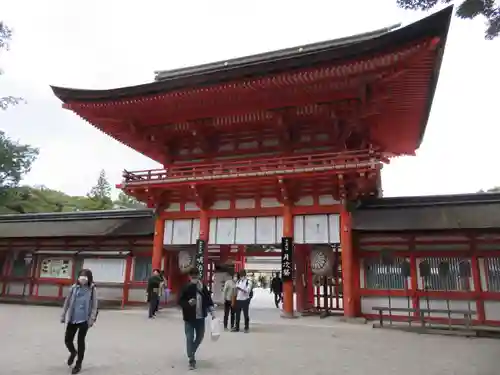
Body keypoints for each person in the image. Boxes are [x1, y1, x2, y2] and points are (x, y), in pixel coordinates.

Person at [60, 269, 98, 374]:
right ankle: (73, 352)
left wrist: (91, 320)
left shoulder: (92, 289)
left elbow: (95, 306)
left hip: (84, 320)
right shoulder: (73, 288)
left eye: (85, 277)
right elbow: (67, 302)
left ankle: (78, 364)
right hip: (72, 318)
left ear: (89, 278)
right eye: (81, 276)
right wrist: (63, 315)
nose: (82, 278)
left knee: (81, 342)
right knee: (67, 340)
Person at [178, 268, 215, 370]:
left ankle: (191, 351)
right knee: (189, 338)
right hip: (189, 318)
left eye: (196, 276)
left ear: (199, 276)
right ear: (189, 277)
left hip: (200, 317)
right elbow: (180, 301)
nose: (194, 278)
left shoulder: (202, 287)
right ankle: (191, 360)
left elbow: (208, 299)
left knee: (200, 336)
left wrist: (212, 312)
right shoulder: (185, 287)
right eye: (192, 277)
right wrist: (188, 303)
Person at [232, 269, 252, 333]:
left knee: (246, 314)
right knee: (237, 315)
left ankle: (246, 327)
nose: (241, 276)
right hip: (238, 300)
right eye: (240, 275)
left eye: (242, 275)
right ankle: (237, 327)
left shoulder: (248, 282)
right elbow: (235, 290)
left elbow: (248, 291)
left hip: (245, 300)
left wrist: (241, 289)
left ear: (245, 275)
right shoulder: (238, 281)